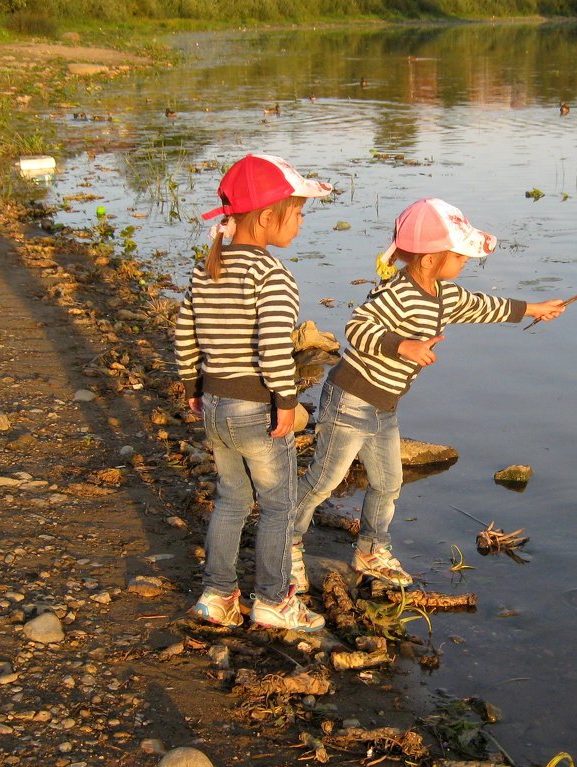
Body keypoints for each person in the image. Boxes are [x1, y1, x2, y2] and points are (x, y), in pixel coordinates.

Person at [290, 198, 565, 587]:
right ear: (431, 258)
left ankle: (371, 550)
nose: (466, 261)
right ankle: (286, 544)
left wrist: (533, 309)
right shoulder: (397, 293)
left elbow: (481, 305)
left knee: (388, 481)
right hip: (352, 398)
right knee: (325, 479)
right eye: (460, 255)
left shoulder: (442, 293)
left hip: (384, 405)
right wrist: (402, 345)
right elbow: (358, 326)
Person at [175, 154, 332, 631]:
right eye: (298, 213)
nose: (301, 223)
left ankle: (217, 596)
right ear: (267, 217)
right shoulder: (273, 276)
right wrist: (286, 403)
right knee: (280, 505)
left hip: (216, 403)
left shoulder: (208, 269)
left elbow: (185, 330)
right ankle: (273, 600)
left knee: (231, 500)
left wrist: (192, 385)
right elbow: (272, 349)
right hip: (256, 406)